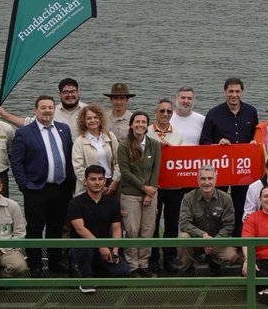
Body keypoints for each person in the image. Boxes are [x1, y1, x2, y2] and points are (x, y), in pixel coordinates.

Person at [10, 94, 75, 277]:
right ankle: (36, 264)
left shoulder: (64, 129)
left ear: (54, 110)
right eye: (43, 107)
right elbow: (16, 162)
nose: (47, 110)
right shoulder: (24, 132)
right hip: (36, 188)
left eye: (50, 107)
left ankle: (55, 262)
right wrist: (24, 186)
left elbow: (69, 156)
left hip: (61, 188)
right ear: (35, 110)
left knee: (56, 227)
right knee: (35, 228)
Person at [200, 77, 259, 232]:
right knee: (218, 204)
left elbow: (256, 137)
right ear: (225, 92)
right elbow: (204, 142)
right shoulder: (213, 113)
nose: (234, 95)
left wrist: (254, 143)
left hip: (244, 168)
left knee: (243, 204)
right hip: (221, 168)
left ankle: (241, 240)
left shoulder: (251, 112)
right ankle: (217, 238)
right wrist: (217, 145)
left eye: (237, 91)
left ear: (242, 92)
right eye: (231, 91)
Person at [67, 165, 129, 294]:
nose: (97, 182)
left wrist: (115, 250)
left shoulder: (112, 203)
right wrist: (101, 246)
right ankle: (85, 279)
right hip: (82, 247)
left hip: (105, 250)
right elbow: (80, 229)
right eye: (93, 179)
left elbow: (117, 229)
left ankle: (88, 269)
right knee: (84, 252)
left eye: (100, 179)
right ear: (85, 181)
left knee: (122, 272)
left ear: (105, 181)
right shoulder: (75, 203)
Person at [117, 111, 160, 276]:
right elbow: (125, 172)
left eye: (143, 122)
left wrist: (150, 193)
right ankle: (132, 266)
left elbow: (156, 170)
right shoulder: (123, 146)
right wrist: (144, 188)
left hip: (151, 194)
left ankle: (144, 264)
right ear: (131, 125)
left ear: (147, 125)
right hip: (130, 195)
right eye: (137, 122)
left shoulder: (154, 145)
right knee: (132, 230)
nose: (140, 125)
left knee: (147, 230)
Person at [178, 164, 241, 275]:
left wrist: (213, 241)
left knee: (232, 256)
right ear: (198, 180)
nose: (206, 182)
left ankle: (213, 261)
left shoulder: (226, 199)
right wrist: (202, 235)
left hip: (217, 241)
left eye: (210, 178)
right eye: (203, 179)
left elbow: (228, 226)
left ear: (215, 179)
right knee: (183, 236)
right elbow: (184, 223)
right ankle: (188, 269)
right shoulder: (188, 198)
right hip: (196, 241)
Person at [150, 98, 186, 274]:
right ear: (155, 112)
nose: (165, 114)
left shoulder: (178, 134)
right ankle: (153, 258)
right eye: (162, 111)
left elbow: (181, 160)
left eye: (169, 112)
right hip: (153, 187)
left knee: (172, 224)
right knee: (153, 224)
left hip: (174, 188)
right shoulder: (147, 131)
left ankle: (170, 258)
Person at [70, 103, 120, 197]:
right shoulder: (79, 141)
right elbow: (78, 168)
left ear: (100, 119)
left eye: (95, 117)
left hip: (110, 184)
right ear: (84, 121)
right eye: (89, 118)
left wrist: (115, 181)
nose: (92, 120)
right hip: (88, 187)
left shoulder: (110, 136)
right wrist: (94, 185)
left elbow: (119, 161)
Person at [0, 78, 84, 129]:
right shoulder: (51, 112)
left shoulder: (88, 111)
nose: (70, 95)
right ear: (60, 94)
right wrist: (4, 115)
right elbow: (27, 124)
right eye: (66, 92)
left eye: (73, 91)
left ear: (78, 92)